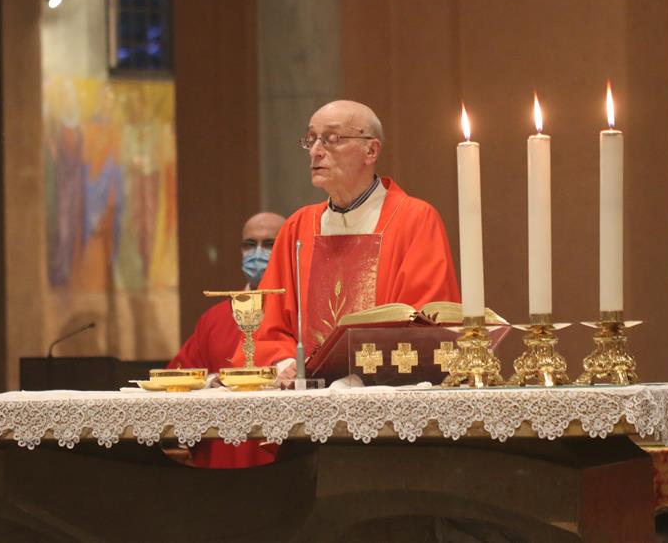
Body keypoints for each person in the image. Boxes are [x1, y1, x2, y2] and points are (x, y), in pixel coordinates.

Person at [233, 100, 460, 385]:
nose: (316, 151)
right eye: (311, 139)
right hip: (306, 402)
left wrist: (361, 376)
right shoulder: (298, 228)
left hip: (385, 403)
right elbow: (267, 327)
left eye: (332, 139)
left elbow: (425, 326)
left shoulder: (414, 220)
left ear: (371, 150)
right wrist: (286, 363)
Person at [166, 211, 285, 468]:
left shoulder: (299, 313)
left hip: (283, 455)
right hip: (222, 455)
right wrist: (214, 382)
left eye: (269, 244)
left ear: (285, 250)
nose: (257, 253)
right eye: (249, 245)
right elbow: (178, 377)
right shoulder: (215, 318)